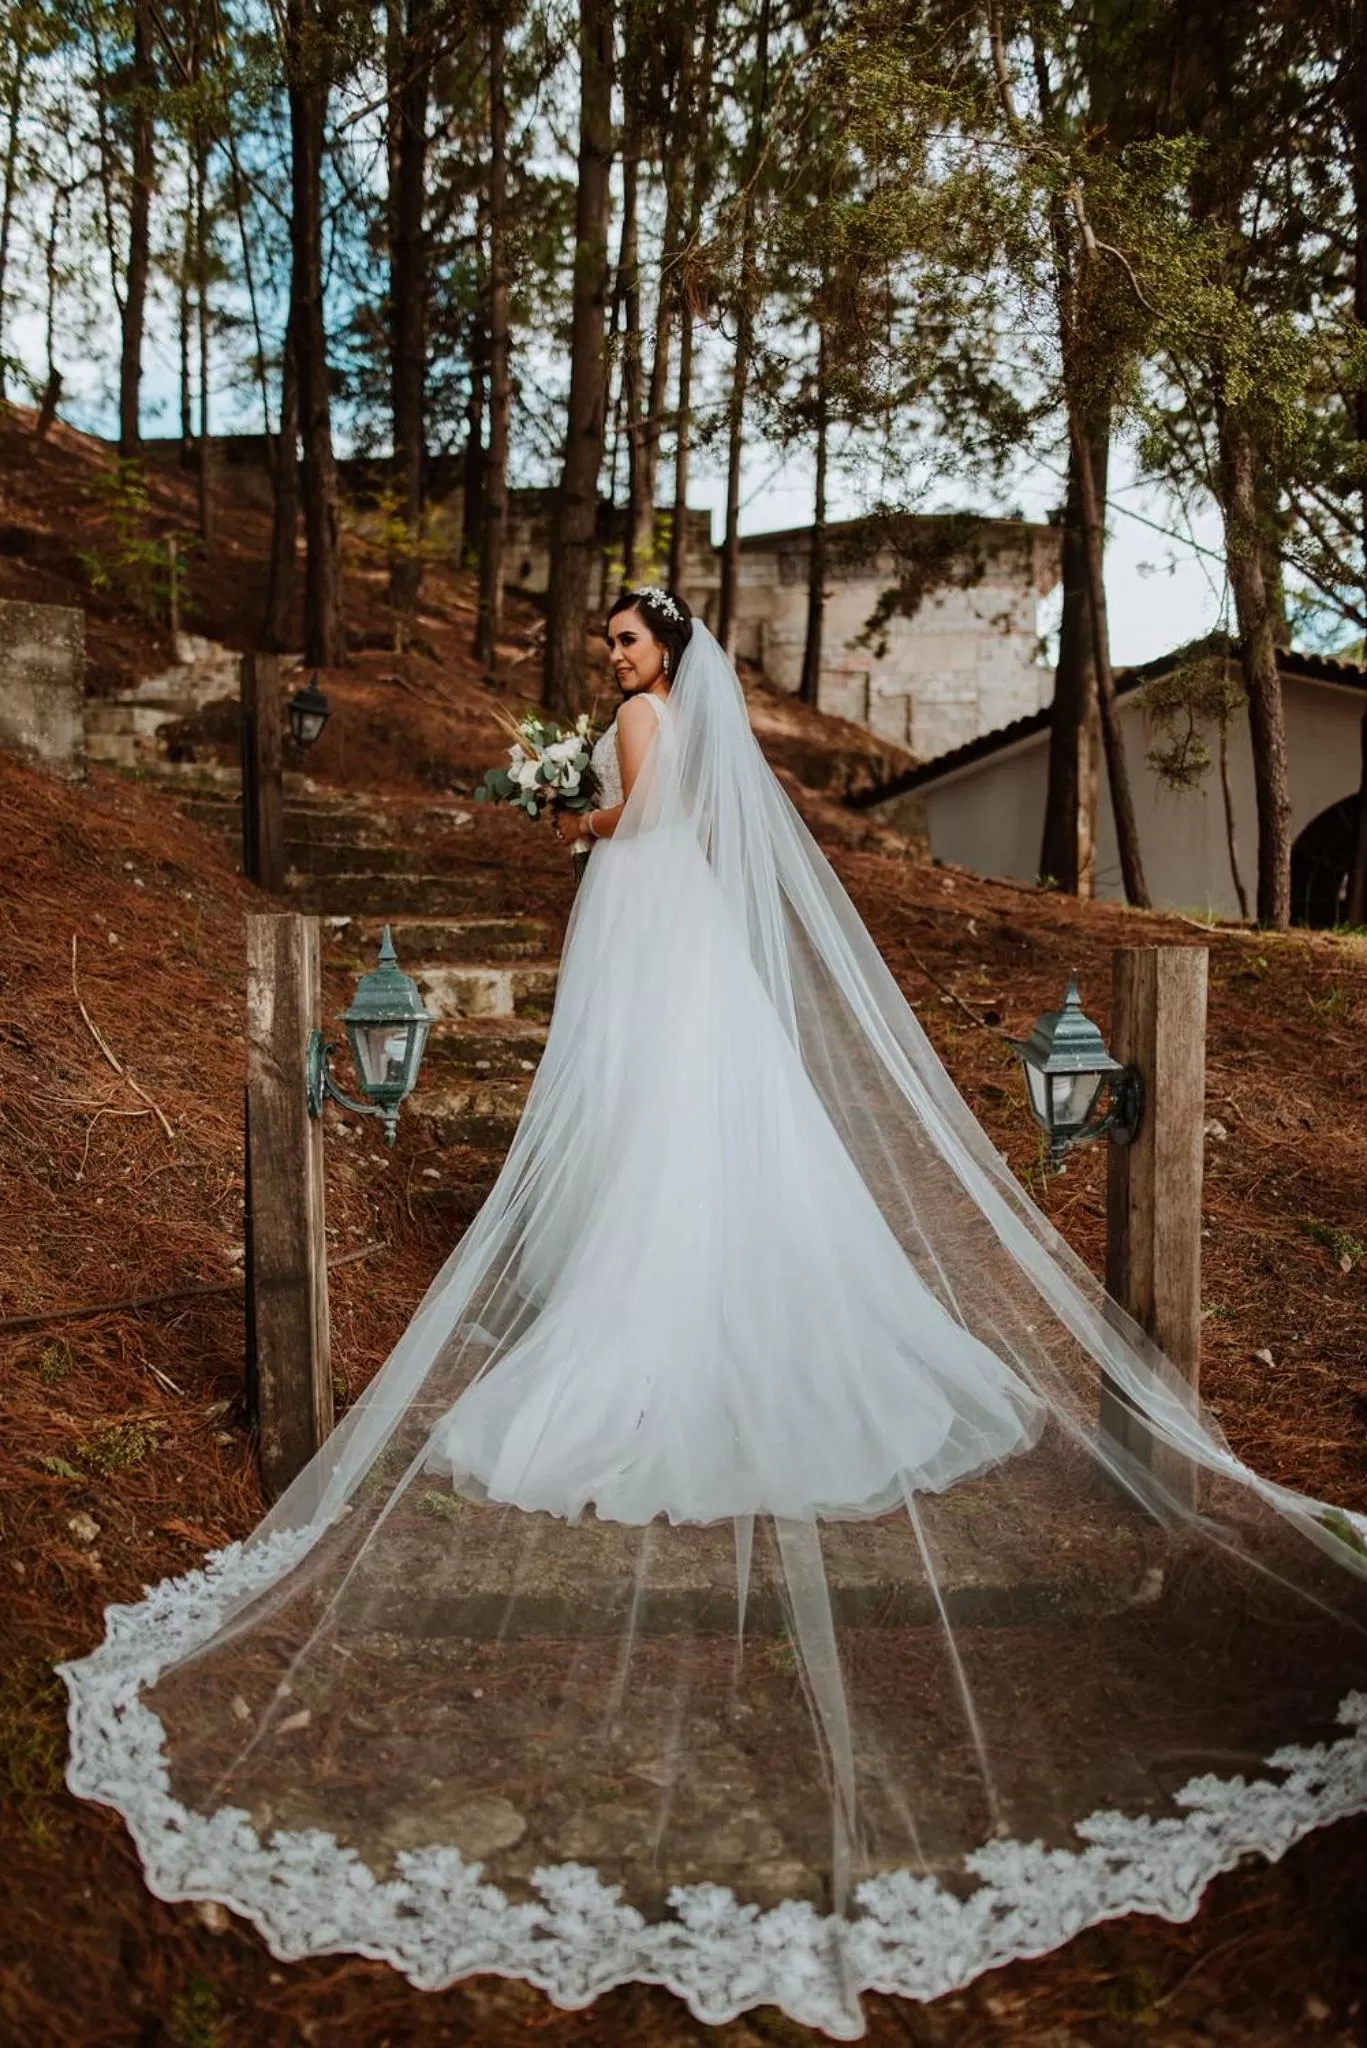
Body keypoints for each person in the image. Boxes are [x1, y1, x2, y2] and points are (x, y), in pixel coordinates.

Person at [60, 588, 1367, 2041]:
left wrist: (569, 819)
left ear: (660, 652)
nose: (612, 658)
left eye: (625, 640)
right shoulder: (697, 717)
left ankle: (640, 1295)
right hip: (686, 934)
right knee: (690, 1116)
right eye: (610, 643)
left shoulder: (639, 720)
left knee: (639, 1109)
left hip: (640, 910)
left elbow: (625, 825)